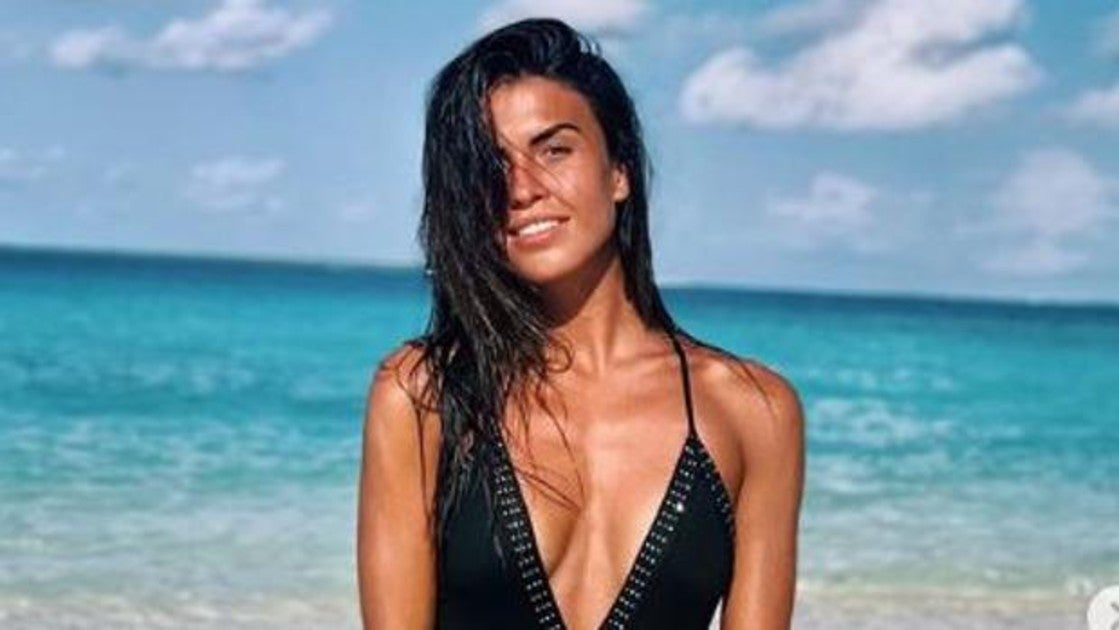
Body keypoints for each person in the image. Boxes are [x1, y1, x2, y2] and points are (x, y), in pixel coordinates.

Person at [356, 17, 805, 630]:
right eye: (491, 165)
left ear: (619, 171)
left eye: (554, 150)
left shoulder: (754, 411)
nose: (521, 188)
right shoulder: (422, 395)